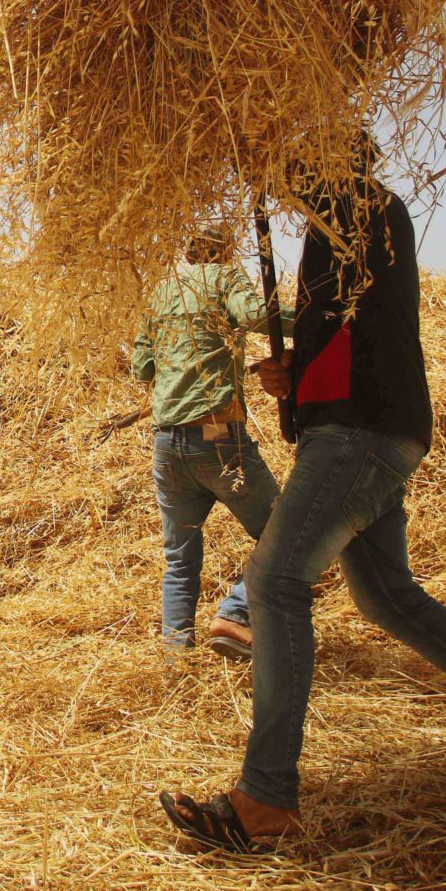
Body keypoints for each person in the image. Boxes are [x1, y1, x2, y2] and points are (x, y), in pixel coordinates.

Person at [158, 159, 446, 852]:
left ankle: (266, 797)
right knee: (391, 599)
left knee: (275, 582)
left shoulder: (364, 208)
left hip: (359, 432)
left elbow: (301, 177)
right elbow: (345, 335)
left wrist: (256, 139)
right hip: (354, 424)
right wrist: (293, 374)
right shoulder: (333, 238)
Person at [130, 228, 291, 657]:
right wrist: (322, 317)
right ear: (226, 251)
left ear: (187, 251)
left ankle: (175, 665)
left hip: (166, 444)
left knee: (180, 561)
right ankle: (236, 615)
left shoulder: (162, 292)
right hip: (217, 437)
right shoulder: (224, 279)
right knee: (286, 532)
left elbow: (142, 366)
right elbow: (259, 316)